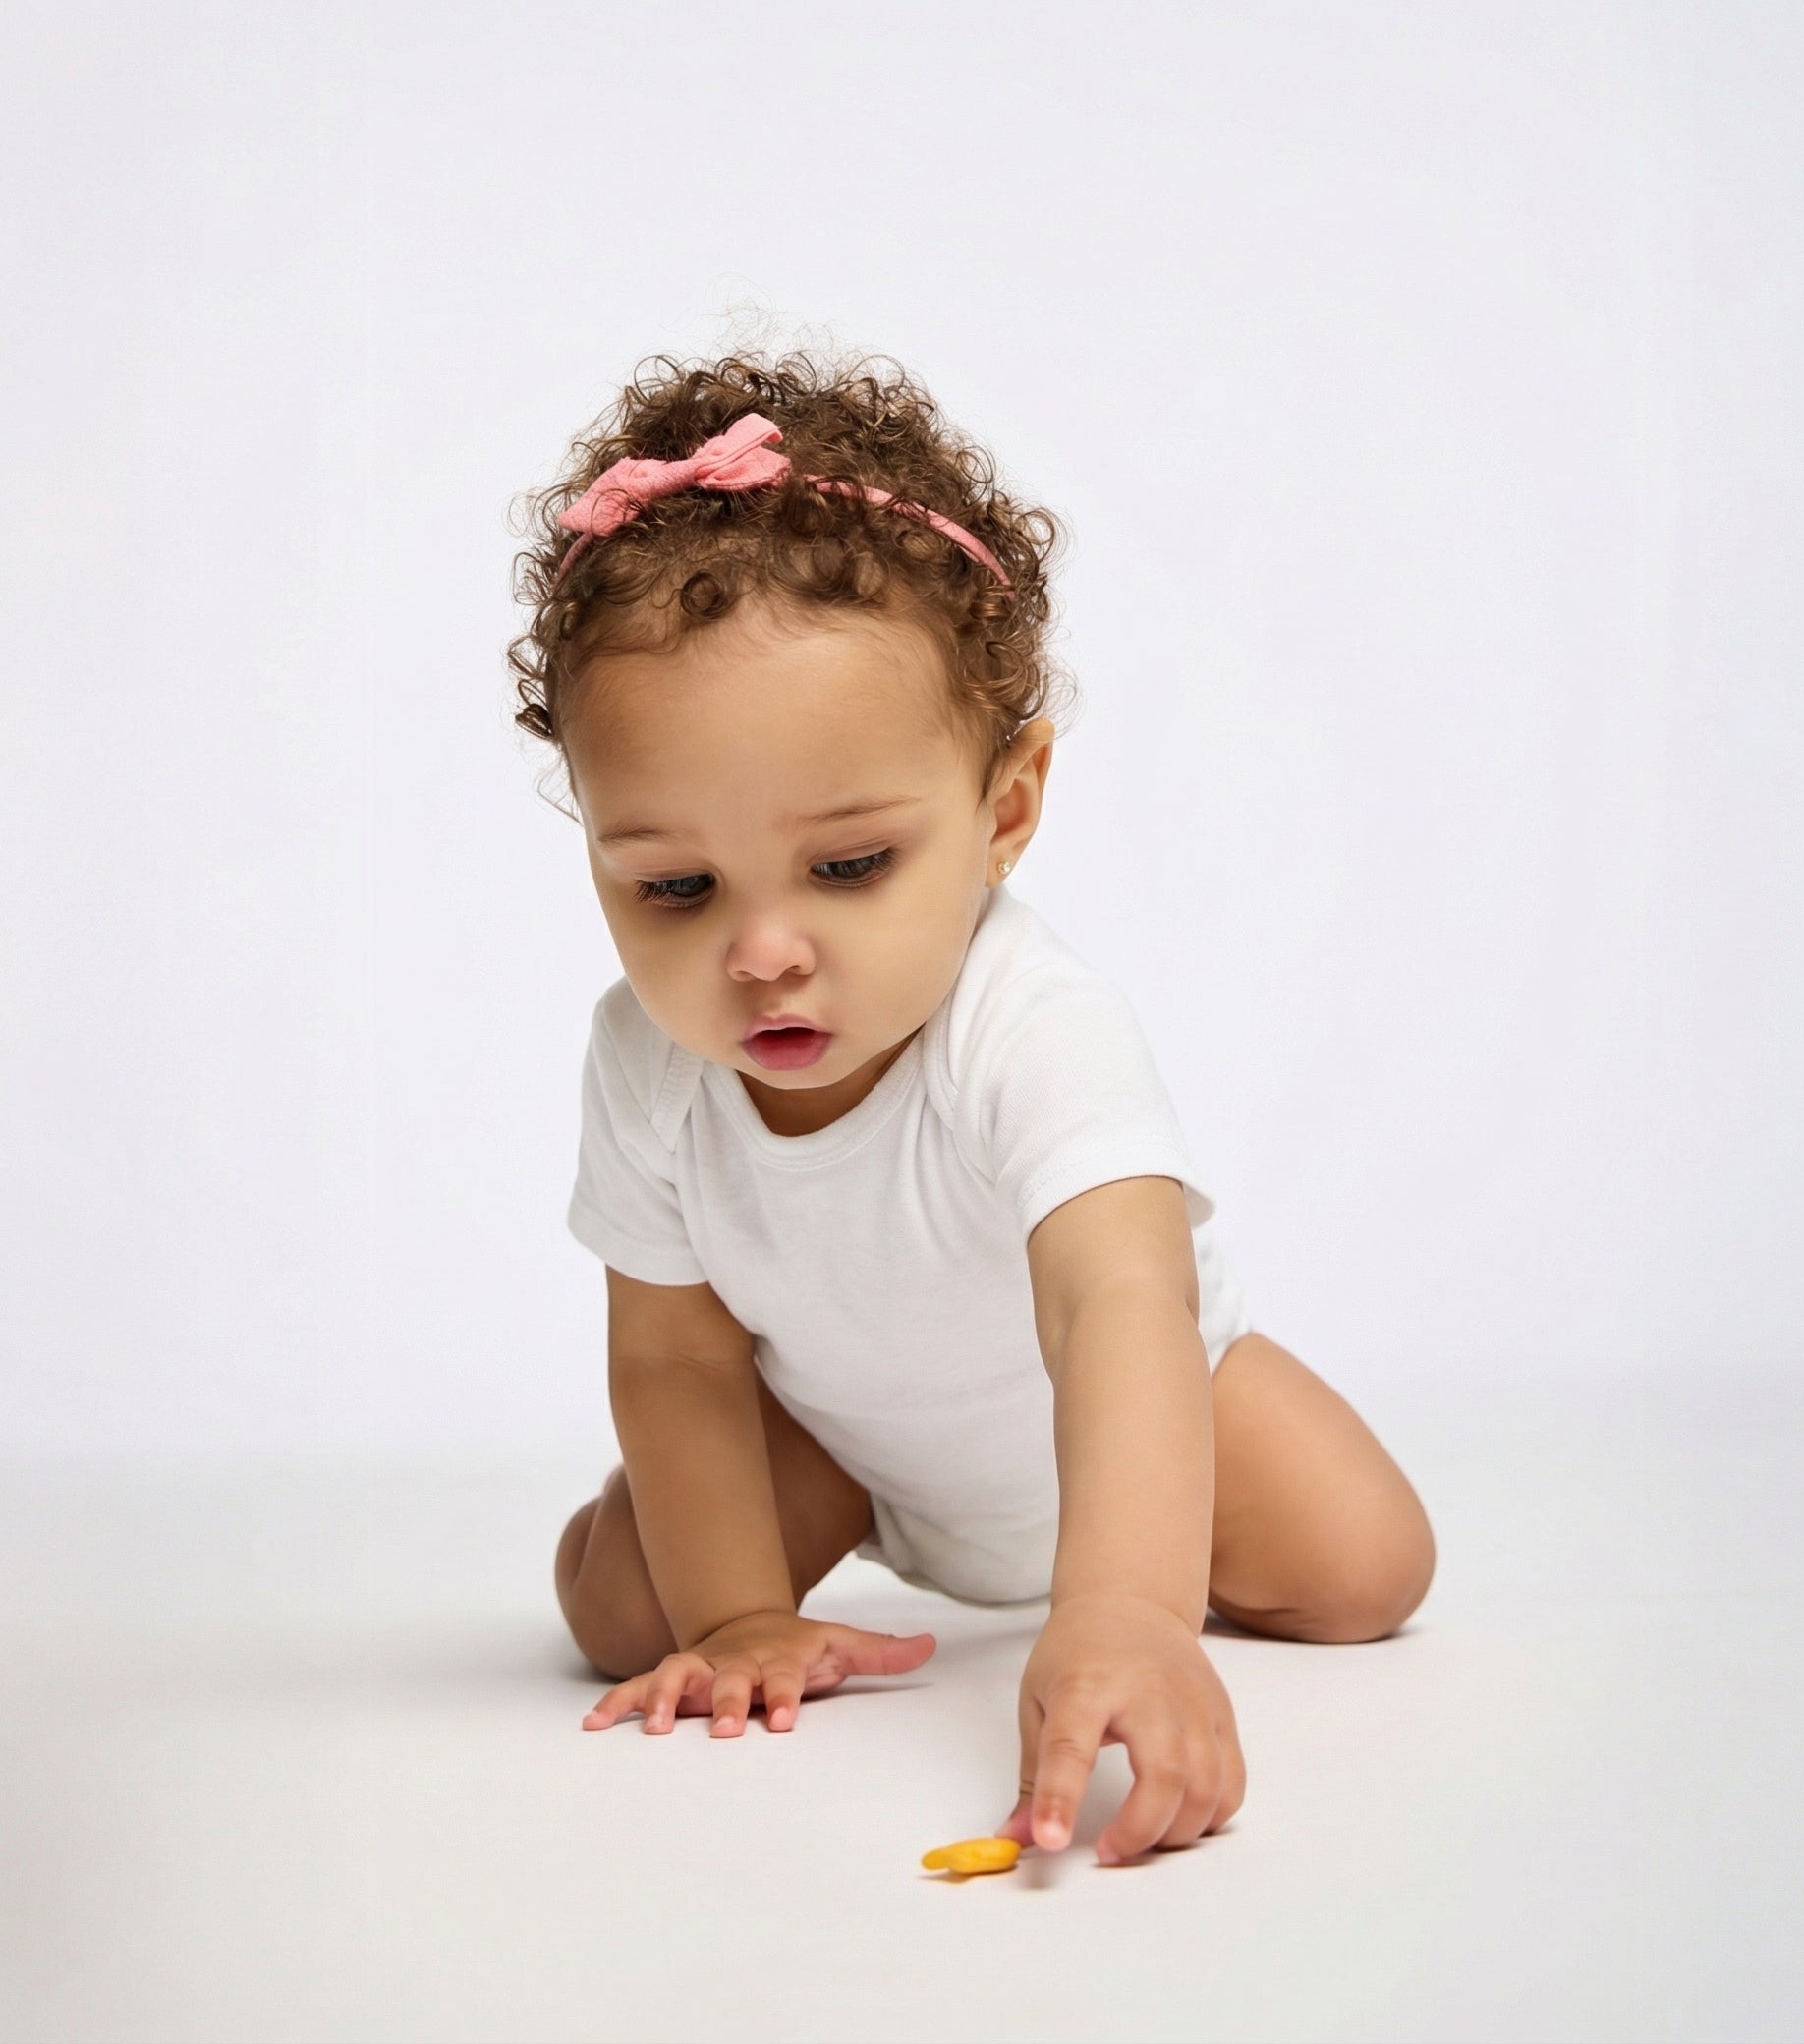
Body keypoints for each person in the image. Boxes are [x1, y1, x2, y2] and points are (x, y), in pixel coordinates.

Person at [526, 353, 1436, 1867]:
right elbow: (677, 1359)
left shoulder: (1033, 1028)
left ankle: (1141, 1558)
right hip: (844, 1437)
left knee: (1367, 1571)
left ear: (1004, 811)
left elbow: (1113, 1307)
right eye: (674, 886)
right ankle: (717, 1559)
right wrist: (739, 1615)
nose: (762, 951)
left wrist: (1130, 1614)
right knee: (622, 1616)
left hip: (1140, 1410)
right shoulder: (646, 1063)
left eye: (848, 867)